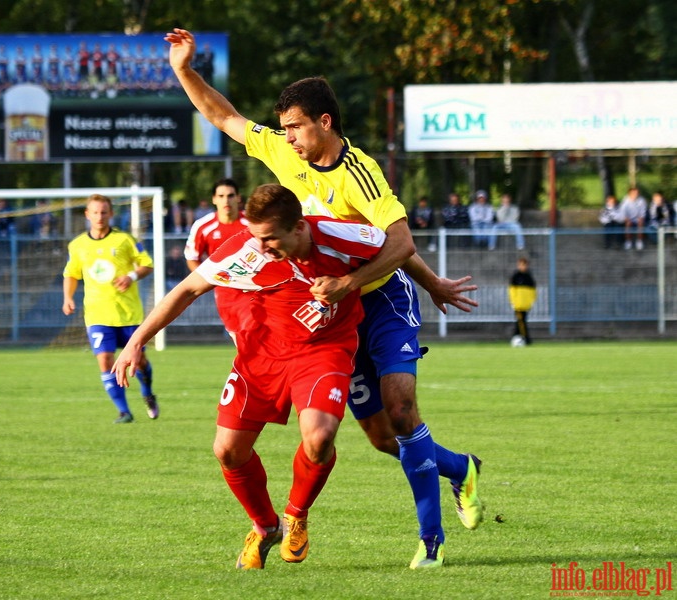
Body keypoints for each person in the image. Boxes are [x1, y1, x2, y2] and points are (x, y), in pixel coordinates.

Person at [166, 28, 482, 569]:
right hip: (331, 314)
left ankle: (431, 544)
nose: (285, 137)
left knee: (403, 411)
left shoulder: (360, 173)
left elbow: (399, 241)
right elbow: (224, 117)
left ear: (324, 123)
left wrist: (400, 283)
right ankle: (461, 468)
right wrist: (184, 71)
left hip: (380, 300)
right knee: (384, 439)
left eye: (294, 127)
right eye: (283, 127)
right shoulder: (285, 154)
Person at [114, 183, 389, 569]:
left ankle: (296, 515)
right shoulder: (246, 248)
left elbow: (399, 247)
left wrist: (353, 283)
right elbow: (189, 288)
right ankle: (265, 526)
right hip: (260, 354)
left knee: (320, 437)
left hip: (323, 350)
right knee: (227, 450)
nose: (260, 247)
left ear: (298, 227)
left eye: (269, 238)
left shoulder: (338, 234)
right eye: (255, 236)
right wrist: (137, 340)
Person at [61, 194, 158, 423]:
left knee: (139, 361)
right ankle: (124, 411)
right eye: (95, 212)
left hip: (128, 314)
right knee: (105, 360)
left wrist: (131, 275)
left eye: (104, 212)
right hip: (97, 314)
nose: (99, 217)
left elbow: (147, 264)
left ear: (111, 214)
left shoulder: (125, 240)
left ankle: (147, 392)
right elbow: (71, 274)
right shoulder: (77, 245)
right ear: (87, 215)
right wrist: (67, 297)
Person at [184, 178, 250, 337]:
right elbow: (192, 257)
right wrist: (209, 279)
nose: (226, 200)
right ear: (214, 199)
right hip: (226, 293)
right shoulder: (203, 226)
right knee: (239, 339)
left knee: (257, 336)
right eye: (221, 196)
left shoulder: (252, 223)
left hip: (255, 289)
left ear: (238, 198)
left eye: (230, 195)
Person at [508, 257, 536, 345]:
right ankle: (526, 339)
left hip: (526, 304)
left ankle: (516, 337)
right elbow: (512, 291)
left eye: (524, 265)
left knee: (521, 321)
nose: (522, 267)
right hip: (518, 304)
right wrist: (513, 301)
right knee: (521, 321)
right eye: (520, 265)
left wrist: (531, 301)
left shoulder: (529, 277)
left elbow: (533, 292)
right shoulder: (515, 276)